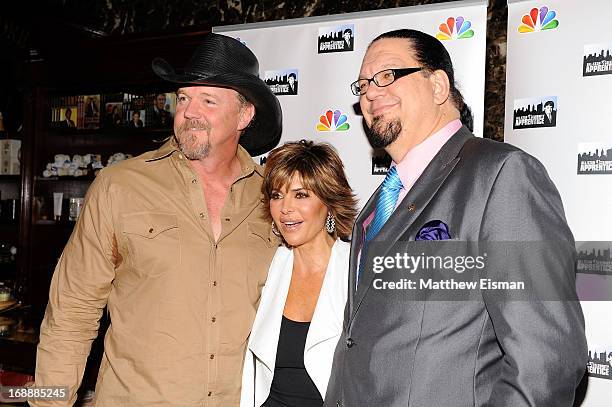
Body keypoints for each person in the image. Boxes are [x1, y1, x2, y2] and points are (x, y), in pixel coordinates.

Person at [326, 29, 587, 407]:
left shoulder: (501, 175)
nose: (369, 92)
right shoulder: (376, 206)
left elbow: (545, 359)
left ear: (437, 85)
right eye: (363, 83)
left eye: (386, 76)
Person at [33, 33, 283, 406]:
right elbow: (71, 312)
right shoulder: (120, 186)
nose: (189, 112)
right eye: (184, 98)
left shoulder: (274, 198)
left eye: (208, 100)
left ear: (245, 115)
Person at [240, 141, 357, 407]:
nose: (285, 208)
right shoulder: (268, 266)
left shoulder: (357, 270)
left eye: (301, 195)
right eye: (277, 195)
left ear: (328, 201)